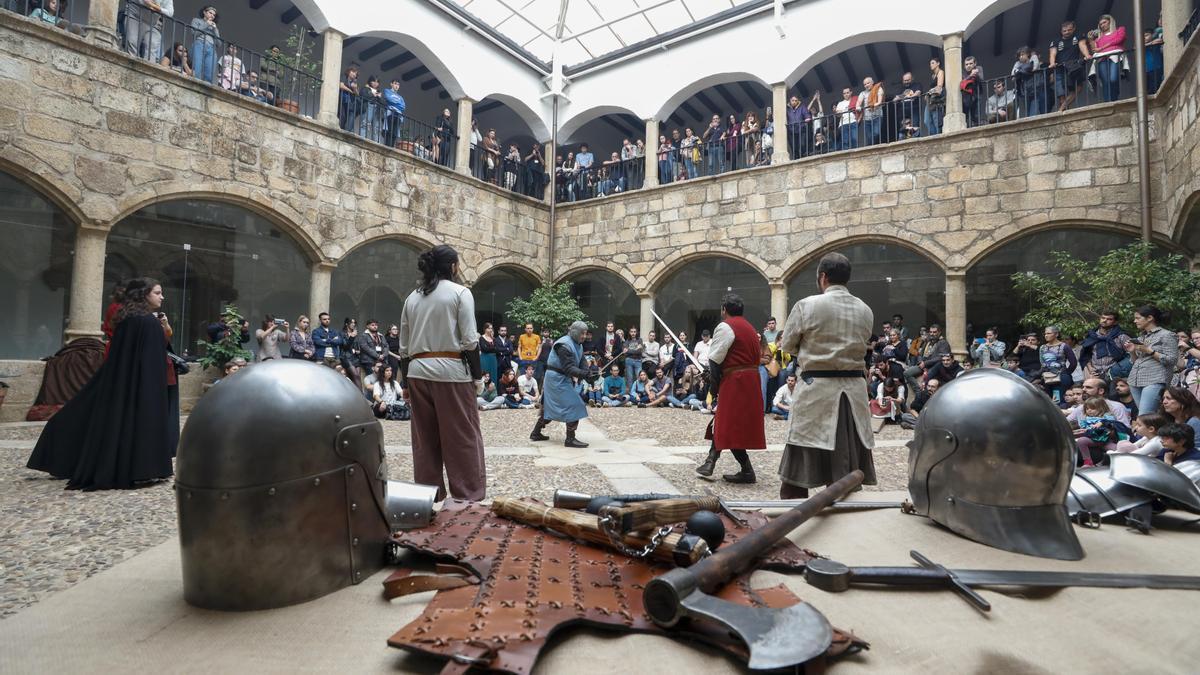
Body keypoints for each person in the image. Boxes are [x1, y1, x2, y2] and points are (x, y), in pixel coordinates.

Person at [27, 278, 178, 490]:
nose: (162, 296)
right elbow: (151, 363)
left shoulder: (128, 318)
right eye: (157, 292)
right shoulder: (147, 322)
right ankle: (140, 468)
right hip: (140, 387)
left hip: (119, 384)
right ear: (144, 294)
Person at [777, 253, 876, 498]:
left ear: (823, 277)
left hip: (817, 392)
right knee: (845, 463)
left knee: (797, 473)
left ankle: (796, 516)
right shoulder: (866, 310)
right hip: (853, 393)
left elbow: (787, 345)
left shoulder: (806, 305)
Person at [397, 245, 486, 501]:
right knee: (461, 436)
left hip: (416, 372)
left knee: (425, 440)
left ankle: (428, 496)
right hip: (451, 372)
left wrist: (404, 383)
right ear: (454, 267)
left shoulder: (412, 298)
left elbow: (403, 348)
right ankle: (467, 496)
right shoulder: (460, 293)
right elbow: (470, 340)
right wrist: (477, 376)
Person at [695, 293, 766, 484]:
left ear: (724, 309)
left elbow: (715, 359)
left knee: (726, 421)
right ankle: (722, 464)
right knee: (730, 424)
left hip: (736, 380)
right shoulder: (750, 328)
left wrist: (713, 386)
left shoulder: (725, 326)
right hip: (750, 380)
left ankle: (714, 463)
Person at [531, 321, 595, 448]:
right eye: (582, 333)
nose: (584, 336)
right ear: (575, 332)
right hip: (556, 378)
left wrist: (590, 375)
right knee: (574, 404)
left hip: (562, 378)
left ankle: (535, 433)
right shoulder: (563, 344)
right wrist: (585, 374)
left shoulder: (578, 344)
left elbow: (582, 362)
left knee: (550, 406)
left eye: (585, 333)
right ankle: (570, 439)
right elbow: (569, 368)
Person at [1125, 304, 1178, 414]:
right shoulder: (1141, 336)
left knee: (1144, 416)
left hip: (1155, 379)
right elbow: (1136, 361)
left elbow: (1172, 360)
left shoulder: (1167, 335)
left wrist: (1149, 350)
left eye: (1138, 318)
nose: (1135, 321)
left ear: (1150, 318)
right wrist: (1132, 351)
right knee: (1147, 419)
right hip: (1134, 380)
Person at [1073, 396, 1129, 466]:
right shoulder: (1087, 420)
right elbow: (1087, 430)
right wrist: (1083, 431)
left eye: (1092, 408)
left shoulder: (1107, 417)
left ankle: (1125, 462)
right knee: (1081, 441)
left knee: (1117, 449)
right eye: (1087, 409)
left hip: (1105, 440)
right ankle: (1087, 461)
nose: (1089, 410)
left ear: (1101, 408)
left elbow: (1111, 424)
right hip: (1093, 440)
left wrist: (1102, 423)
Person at [1038, 325, 1078, 405]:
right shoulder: (1043, 347)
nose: (1046, 335)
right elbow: (1042, 363)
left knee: (1059, 400)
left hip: (1061, 377)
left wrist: (1066, 373)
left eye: (1049, 333)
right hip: (1047, 377)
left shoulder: (1064, 346)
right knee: (1048, 401)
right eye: (1045, 334)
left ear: (1056, 334)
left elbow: (1073, 363)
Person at [1092, 14, 1127, 103]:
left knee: (1113, 79)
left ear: (1110, 22)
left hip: (1115, 56)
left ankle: (1114, 99)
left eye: (1105, 22)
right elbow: (1094, 49)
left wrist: (1102, 48)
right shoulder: (1099, 38)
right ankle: (1108, 102)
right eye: (1101, 24)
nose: (1103, 25)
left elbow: (1119, 40)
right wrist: (1090, 40)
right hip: (1102, 59)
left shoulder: (1120, 30)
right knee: (1106, 82)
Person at [189, 5, 219, 84]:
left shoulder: (214, 27)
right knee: (197, 68)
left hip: (212, 49)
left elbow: (219, 44)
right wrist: (206, 24)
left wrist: (215, 30)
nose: (212, 16)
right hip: (200, 44)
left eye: (214, 15)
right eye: (210, 13)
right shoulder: (196, 20)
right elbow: (194, 33)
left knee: (209, 73)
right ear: (204, 12)